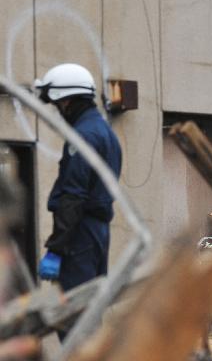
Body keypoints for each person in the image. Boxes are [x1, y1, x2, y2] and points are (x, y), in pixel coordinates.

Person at [35, 63, 122, 293]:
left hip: (80, 237)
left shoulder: (84, 136)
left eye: (58, 105)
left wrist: (56, 248)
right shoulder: (104, 132)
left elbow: (73, 195)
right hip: (96, 234)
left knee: (76, 314)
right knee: (91, 310)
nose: (59, 112)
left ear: (67, 101)